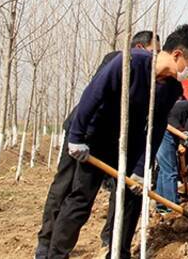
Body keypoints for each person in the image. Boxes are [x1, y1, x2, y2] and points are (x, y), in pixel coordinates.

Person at [37, 25, 188, 259]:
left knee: (132, 198)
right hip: (96, 137)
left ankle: (119, 253)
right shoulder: (131, 62)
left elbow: (156, 128)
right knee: (81, 198)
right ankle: (55, 254)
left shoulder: (172, 88)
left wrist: (140, 168)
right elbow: (93, 94)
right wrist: (76, 138)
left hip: (129, 142)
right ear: (177, 54)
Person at [36, 31, 160, 255]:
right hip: (82, 132)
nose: (157, 57)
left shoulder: (150, 75)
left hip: (110, 139)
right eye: (155, 51)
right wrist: (77, 138)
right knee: (64, 187)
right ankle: (46, 244)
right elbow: (94, 96)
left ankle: (110, 241)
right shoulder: (119, 59)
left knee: (118, 189)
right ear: (140, 48)